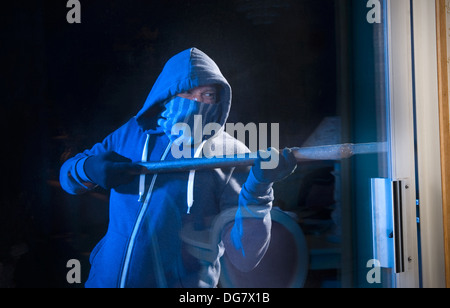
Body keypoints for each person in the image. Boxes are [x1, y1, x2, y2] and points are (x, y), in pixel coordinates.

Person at [59, 47, 297, 288]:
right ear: (167, 93)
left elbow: (245, 256)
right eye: (187, 91)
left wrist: (259, 187)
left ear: (219, 101)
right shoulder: (133, 132)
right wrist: (87, 168)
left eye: (208, 95)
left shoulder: (232, 156)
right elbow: (68, 180)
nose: (196, 103)